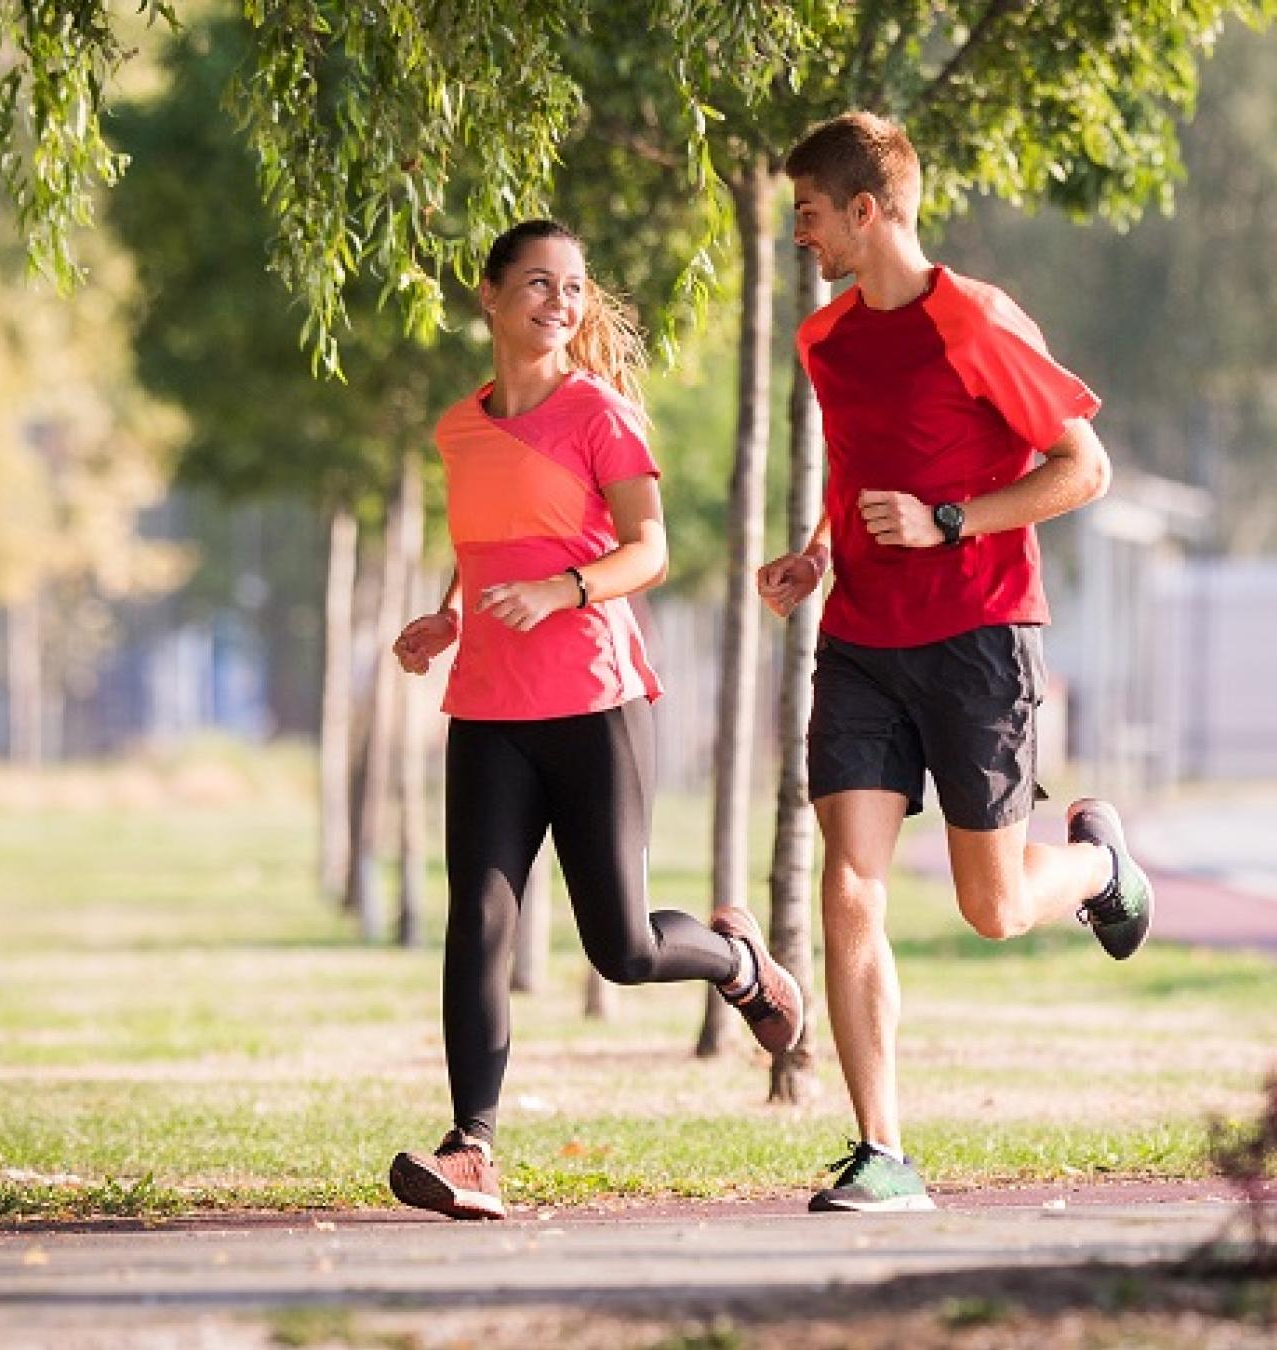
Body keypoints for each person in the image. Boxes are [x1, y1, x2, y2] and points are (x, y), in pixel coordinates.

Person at [754, 113, 1157, 1214]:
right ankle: (882, 1150)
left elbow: (1086, 468)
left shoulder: (975, 322)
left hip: (981, 636)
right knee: (849, 882)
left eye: (812, 214)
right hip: (861, 644)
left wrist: (950, 519)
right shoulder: (824, 340)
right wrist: (815, 556)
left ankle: (1100, 867)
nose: (803, 235)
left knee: (994, 908)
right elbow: (855, 470)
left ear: (868, 212)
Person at [385, 219, 804, 1222]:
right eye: (537, 284)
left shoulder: (599, 413)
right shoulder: (459, 425)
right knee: (477, 920)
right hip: (486, 703)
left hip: (592, 699)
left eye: (572, 288)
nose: (559, 304)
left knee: (619, 944)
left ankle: (741, 964)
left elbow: (647, 550)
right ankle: (472, 1149)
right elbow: (490, 538)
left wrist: (566, 591)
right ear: (488, 296)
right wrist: (447, 613)